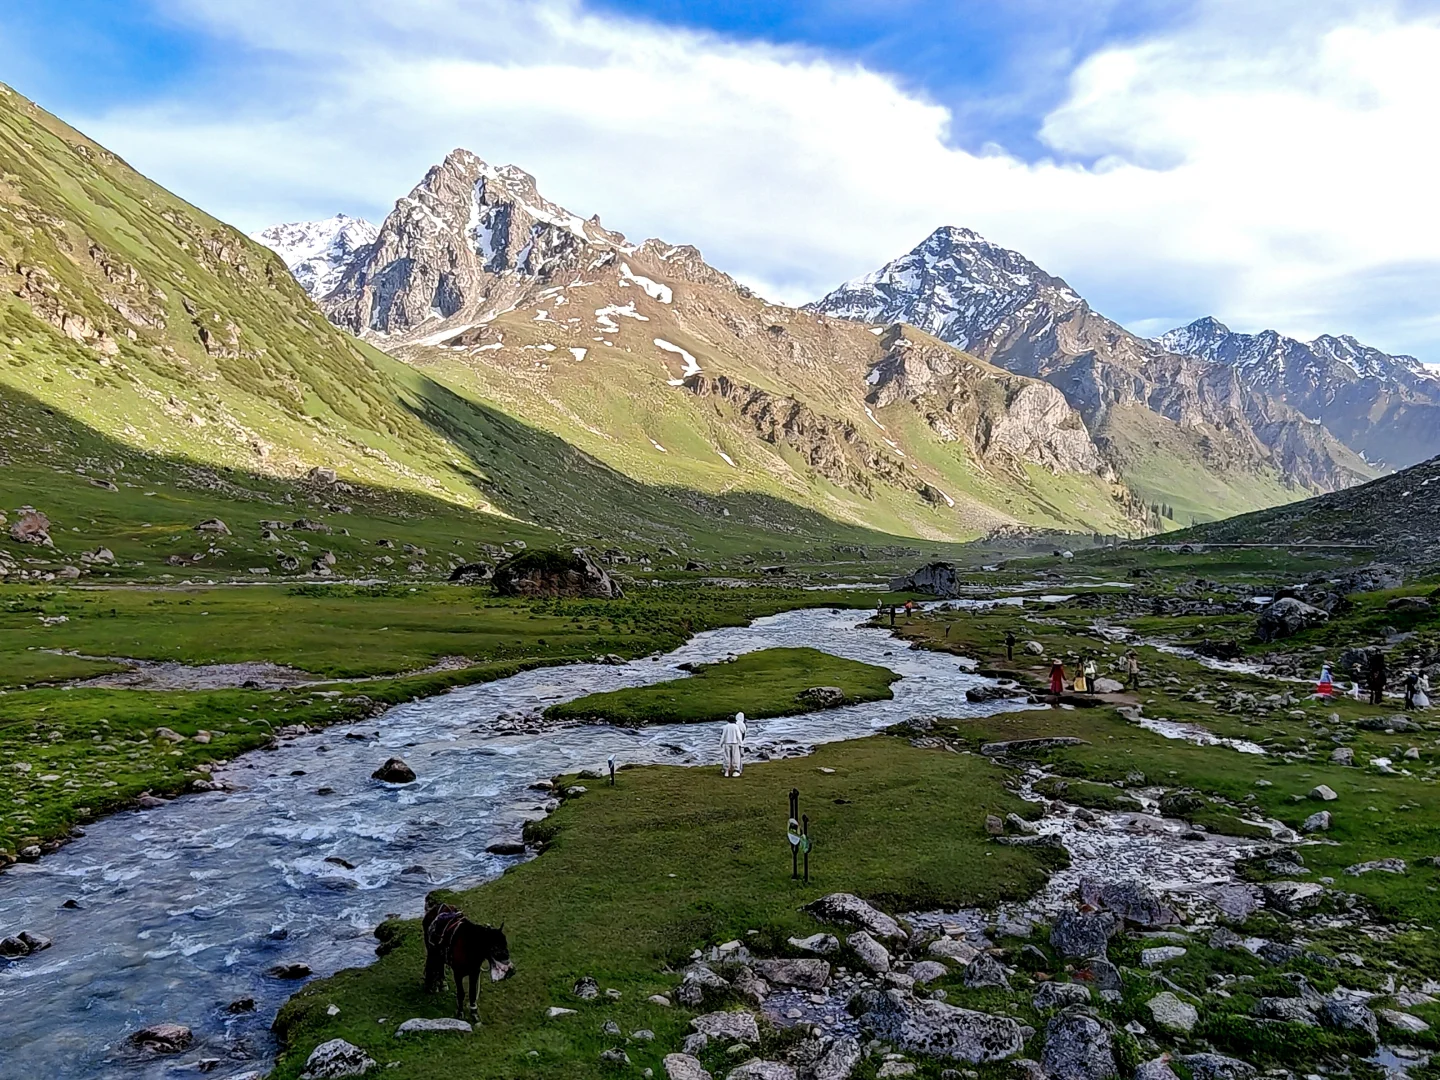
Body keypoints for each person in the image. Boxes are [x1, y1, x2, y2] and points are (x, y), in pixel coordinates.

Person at [720, 712, 746, 777]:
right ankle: (735, 770)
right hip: (735, 743)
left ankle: (726, 771)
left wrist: (721, 743)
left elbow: (723, 736)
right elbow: (738, 736)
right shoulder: (736, 727)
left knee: (727, 757)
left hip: (727, 743)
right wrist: (741, 744)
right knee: (735, 757)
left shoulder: (725, 727)